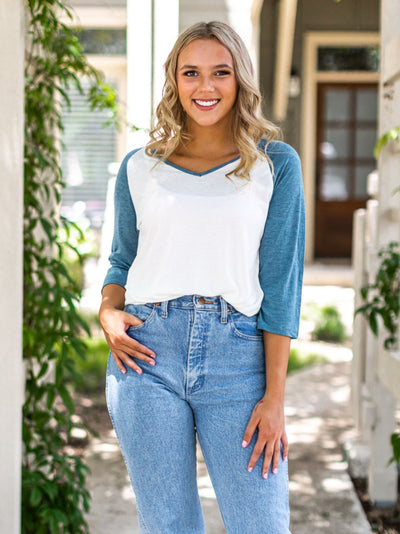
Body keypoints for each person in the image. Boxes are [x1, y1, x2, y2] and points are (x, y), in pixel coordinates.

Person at [100, 20, 305, 534]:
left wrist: (275, 398)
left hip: (239, 357)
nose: (206, 87)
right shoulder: (140, 168)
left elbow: (281, 283)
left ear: (240, 81)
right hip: (146, 355)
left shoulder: (274, 164)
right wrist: (107, 310)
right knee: (167, 524)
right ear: (174, 80)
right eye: (191, 72)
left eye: (221, 72)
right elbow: (122, 261)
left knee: (262, 524)